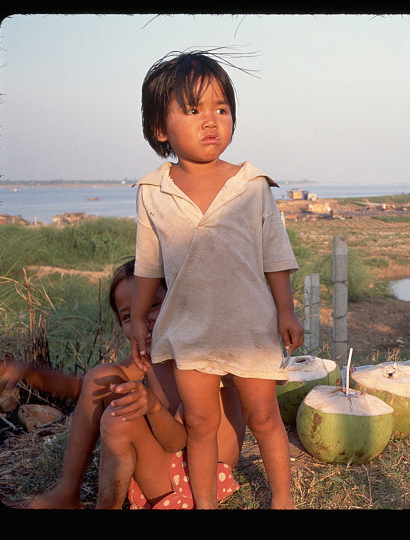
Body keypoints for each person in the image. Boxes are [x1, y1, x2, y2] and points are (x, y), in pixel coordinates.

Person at [131, 50, 303, 509]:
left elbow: (275, 254)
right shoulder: (153, 190)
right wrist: (138, 320)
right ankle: (205, 504)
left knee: (263, 417)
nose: (211, 120)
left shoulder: (251, 184)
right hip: (189, 328)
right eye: (193, 110)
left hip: (251, 327)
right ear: (160, 129)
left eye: (221, 109)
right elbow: (147, 262)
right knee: (200, 423)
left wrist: (286, 311)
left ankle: (282, 500)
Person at [0, 259, 245, 509]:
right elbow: (86, 390)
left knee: (120, 420)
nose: (142, 321)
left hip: (201, 478)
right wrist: (27, 372)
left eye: (153, 305)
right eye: (129, 316)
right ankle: (67, 493)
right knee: (101, 375)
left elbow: (177, 442)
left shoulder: (197, 358)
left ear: (177, 298)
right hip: (173, 464)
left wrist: (153, 408)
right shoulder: (151, 357)